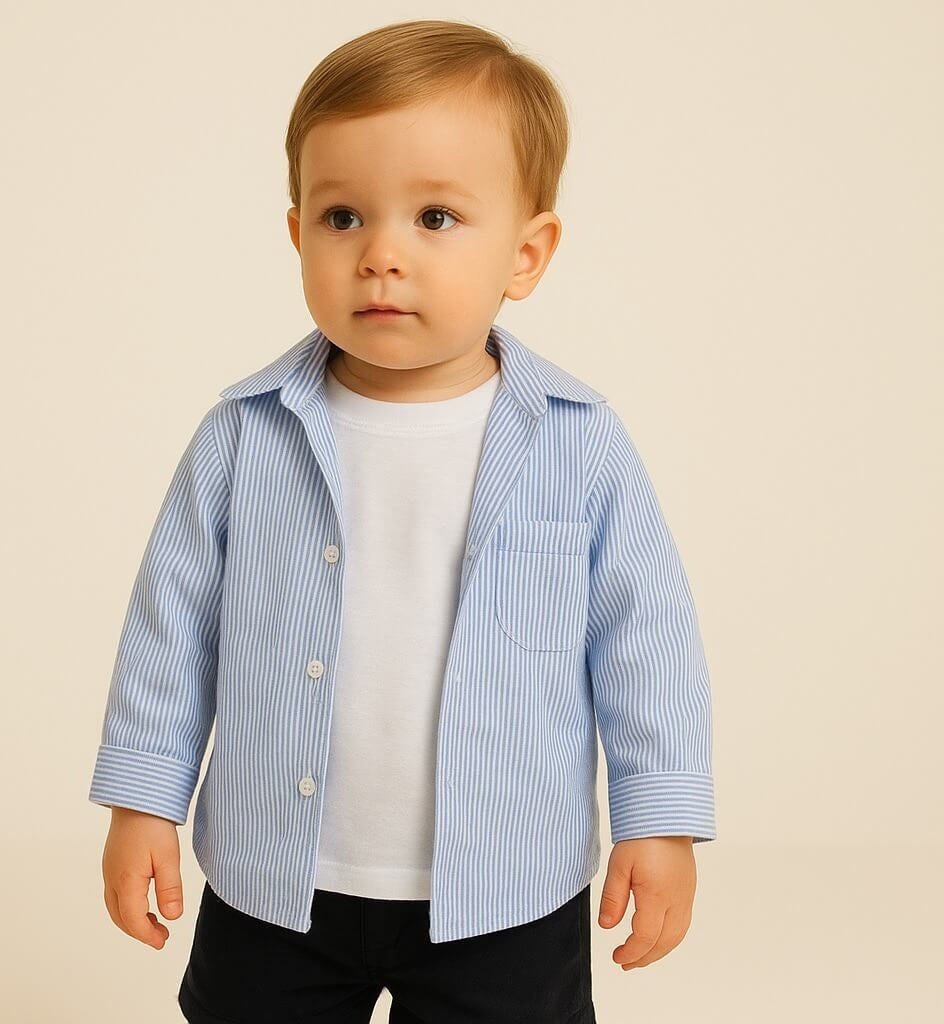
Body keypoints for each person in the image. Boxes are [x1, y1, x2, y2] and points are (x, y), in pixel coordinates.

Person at [88, 18, 716, 1024]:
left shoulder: (579, 442)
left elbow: (647, 640)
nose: (381, 254)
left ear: (526, 253)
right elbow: (171, 628)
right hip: (273, 874)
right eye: (342, 217)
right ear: (297, 234)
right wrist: (142, 801)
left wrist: (660, 818)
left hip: (505, 884)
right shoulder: (244, 435)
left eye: (435, 217)